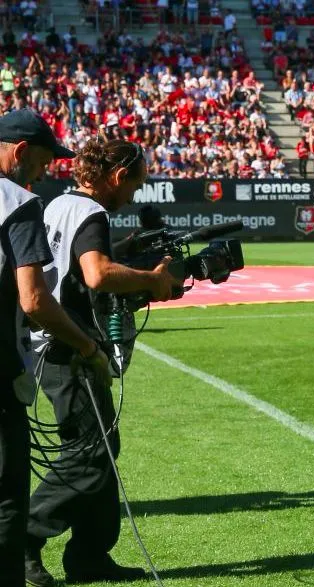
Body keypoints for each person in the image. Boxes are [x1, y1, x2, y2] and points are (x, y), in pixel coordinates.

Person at [25, 139, 178, 586]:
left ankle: (90, 554)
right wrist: (151, 279)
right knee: (89, 453)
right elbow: (95, 273)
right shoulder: (92, 212)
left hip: (53, 342)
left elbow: (73, 265)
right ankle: (22, 538)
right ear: (116, 176)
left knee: (102, 449)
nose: (133, 195)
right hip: (69, 347)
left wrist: (126, 248)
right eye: (134, 184)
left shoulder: (59, 204)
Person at [0, 109, 110, 587]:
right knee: (8, 501)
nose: (45, 173)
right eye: (43, 162)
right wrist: (88, 347)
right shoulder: (17, 201)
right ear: (21, 151)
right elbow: (35, 299)